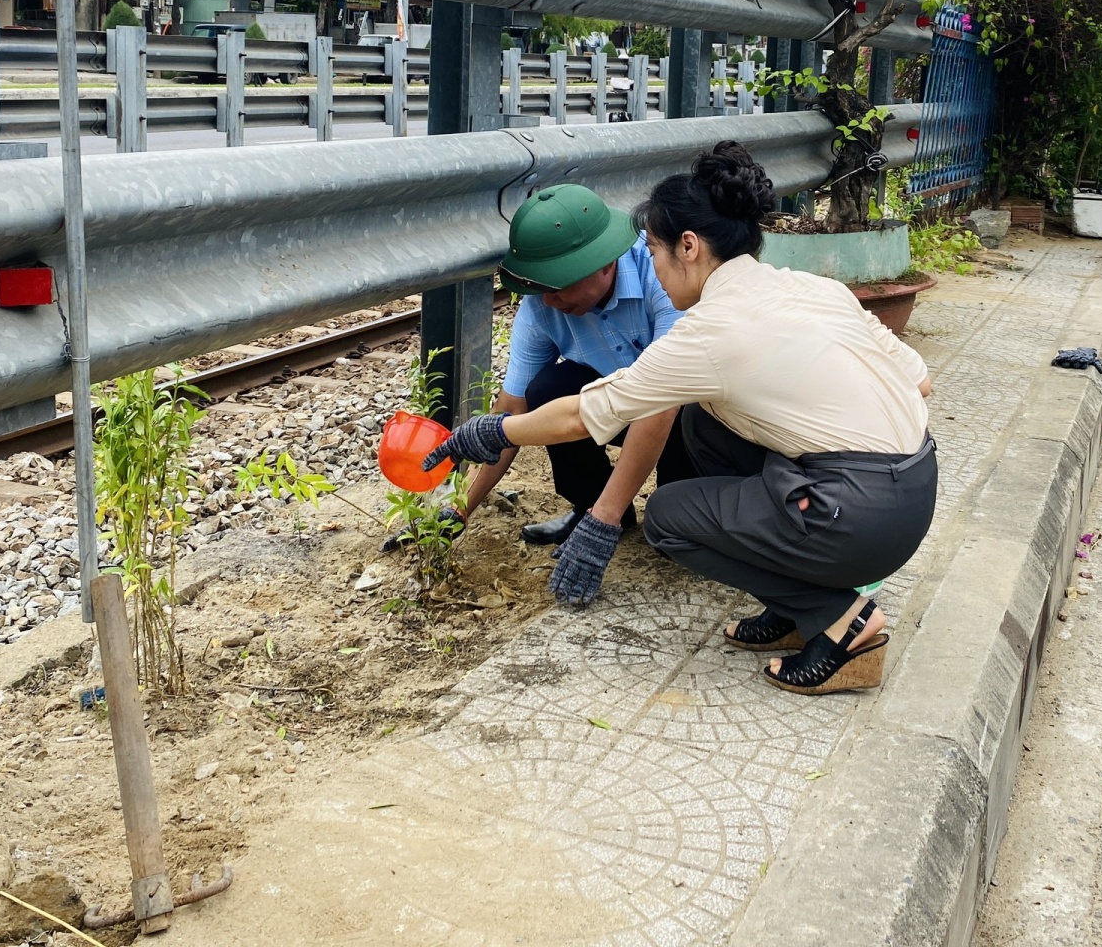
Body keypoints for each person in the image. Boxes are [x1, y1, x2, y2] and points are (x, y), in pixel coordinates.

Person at [420, 142, 938, 696]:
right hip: (913, 488)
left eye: (655, 251)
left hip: (856, 516)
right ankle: (791, 605)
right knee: (708, 425)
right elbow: (920, 380)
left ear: (688, 246)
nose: (654, 268)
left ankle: (842, 621)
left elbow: (582, 415)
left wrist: (491, 431)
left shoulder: (709, 330)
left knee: (669, 517)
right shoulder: (811, 286)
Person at [385, 183, 694, 558]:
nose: (549, 300)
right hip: (621, 403)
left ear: (605, 263)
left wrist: (605, 520)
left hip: (684, 405)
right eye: (539, 286)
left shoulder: (663, 273)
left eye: (559, 285)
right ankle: (589, 504)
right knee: (547, 389)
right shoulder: (542, 306)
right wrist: (457, 511)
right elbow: (512, 412)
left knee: (672, 528)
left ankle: (668, 513)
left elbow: (661, 401)